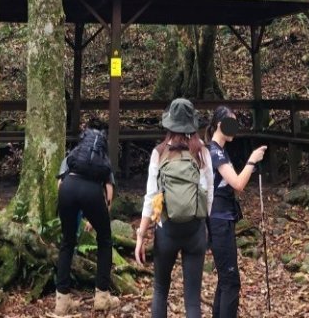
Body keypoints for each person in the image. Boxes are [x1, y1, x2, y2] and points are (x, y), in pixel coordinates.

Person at [134, 98, 214, 318]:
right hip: (195, 230)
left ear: (169, 124)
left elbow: (150, 198)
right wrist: (203, 223)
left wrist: (141, 235)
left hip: (167, 229)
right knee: (192, 299)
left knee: (160, 290)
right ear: (192, 125)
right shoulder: (202, 153)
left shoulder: (159, 153)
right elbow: (209, 195)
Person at [206, 106, 267, 318]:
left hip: (224, 219)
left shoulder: (220, 151)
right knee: (231, 281)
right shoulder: (214, 152)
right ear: (220, 124)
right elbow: (238, 184)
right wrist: (252, 160)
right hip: (218, 221)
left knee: (226, 280)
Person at [55, 117, 119, 315]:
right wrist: (97, 217)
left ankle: (62, 301)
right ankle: (101, 296)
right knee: (105, 240)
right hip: (92, 193)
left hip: (67, 189)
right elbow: (109, 192)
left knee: (67, 242)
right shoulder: (102, 157)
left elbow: (60, 183)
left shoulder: (74, 153)